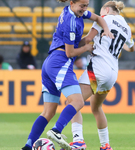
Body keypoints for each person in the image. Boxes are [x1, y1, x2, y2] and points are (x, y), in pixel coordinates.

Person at [21, 0, 114, 150]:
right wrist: (86, 47)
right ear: (72, 3)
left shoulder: (70, 11)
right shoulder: (71, 22)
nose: (84, 9)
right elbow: (70, 52)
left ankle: (27, 146)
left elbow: (98, 18)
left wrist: (105, 30)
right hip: (60, 63)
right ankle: (56, 131)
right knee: (78, 102)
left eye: (86, 6)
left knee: (48, 112)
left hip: (50, 63)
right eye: (82, 6)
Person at [65, 1, 135, 150]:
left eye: (102, 11)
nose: (100, 15)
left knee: (72, 102)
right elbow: (132, 48)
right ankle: (106, 145)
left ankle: (78, 140)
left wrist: (71, 44)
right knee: (96, 108)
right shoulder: (126, 27)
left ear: (107, 9)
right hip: (112, 74)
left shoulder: (105, 19)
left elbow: (88, 39)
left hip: (97, 69)